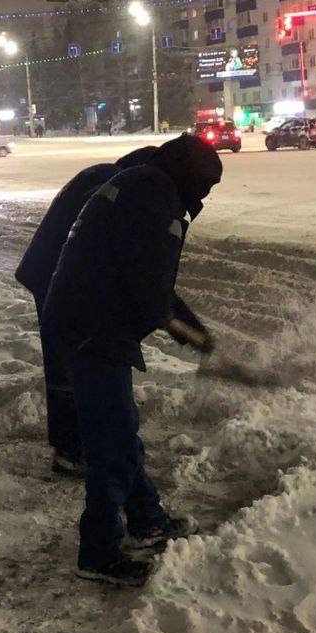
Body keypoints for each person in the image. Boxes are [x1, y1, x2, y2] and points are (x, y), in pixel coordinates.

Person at [42, 135, 222, 588]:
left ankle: (147, 519)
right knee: (113, 442)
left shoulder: (142, 183)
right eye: (205, 186)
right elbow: (151, 292)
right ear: (189, 178)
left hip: (82, 315)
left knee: (117, 432)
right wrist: (183, 331)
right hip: (94, 325)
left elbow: (152, 279)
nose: (205, 197)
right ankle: (99, 553)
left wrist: (191, 327)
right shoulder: (155, 199)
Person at [15, 146, 158, 478]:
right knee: (69, 367)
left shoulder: (102, 176)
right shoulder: (109, 187)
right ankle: (71, 450)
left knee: (67, 363)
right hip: (54, 277)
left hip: (50, 272)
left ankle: (75, 444)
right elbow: (104, 247)